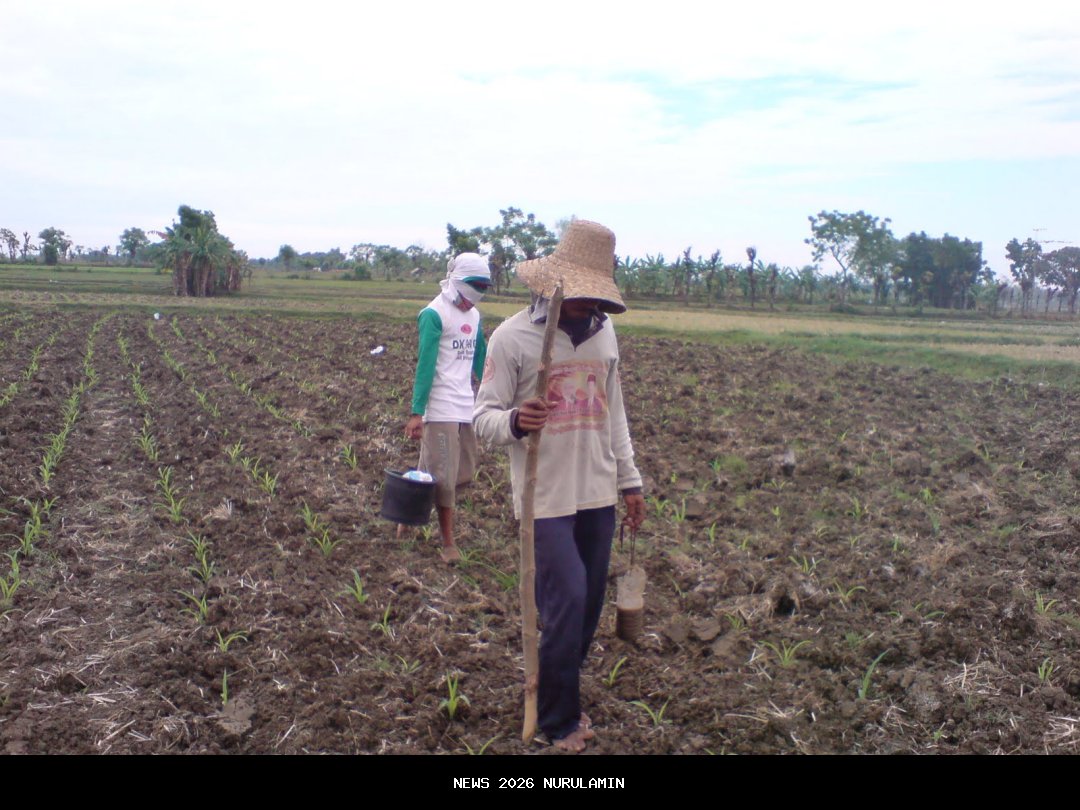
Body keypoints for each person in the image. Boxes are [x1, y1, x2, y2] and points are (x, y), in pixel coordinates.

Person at [472, 219, 646, 752]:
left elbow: (614, 413)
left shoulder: (604, 335)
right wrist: (517, 421)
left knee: (588, 605)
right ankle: (558, 722)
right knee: (566, 598)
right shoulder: (512, 337)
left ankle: (560, 692)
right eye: (581, 295)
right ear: (554, 285)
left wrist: (630, 481)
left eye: (597, 298)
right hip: (543, 498)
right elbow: (481, 419)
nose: (589, 306)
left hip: (597, 490)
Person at [404, 253, 491, 563]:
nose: (477, 294)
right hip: (440, 406)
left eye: (484, 287)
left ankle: (405, 517)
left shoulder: (475, 316)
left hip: (465, 404)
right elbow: (425, 365)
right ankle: (448, 543)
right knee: (443, 476)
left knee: (460, 470)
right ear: (456, 281)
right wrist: (417, 412)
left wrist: (493, 392)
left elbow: (480, 357)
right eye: (474, 285)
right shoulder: (433, 314)